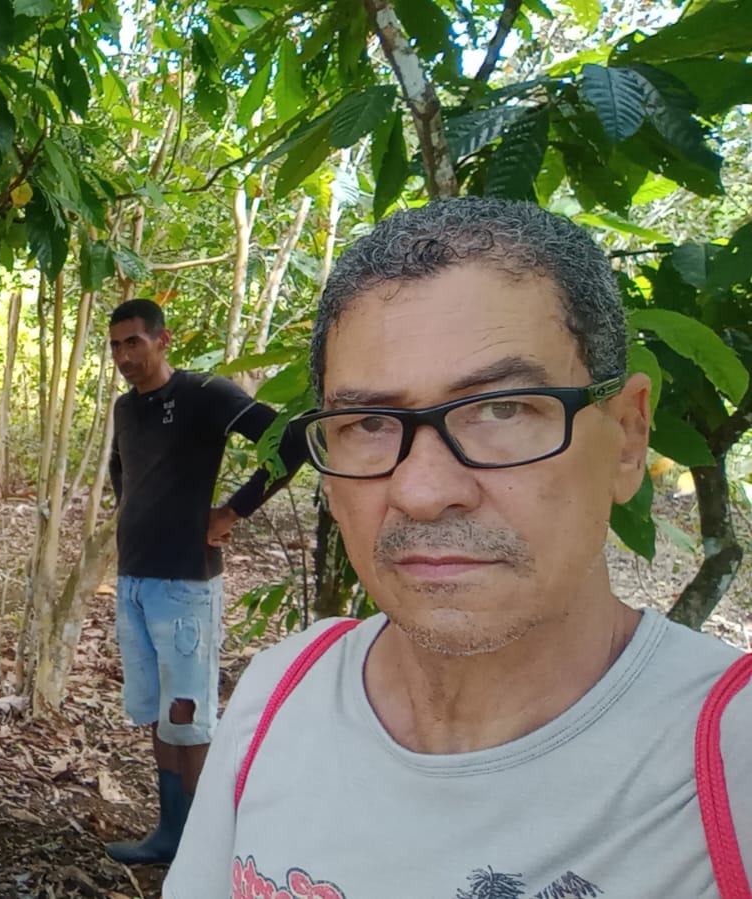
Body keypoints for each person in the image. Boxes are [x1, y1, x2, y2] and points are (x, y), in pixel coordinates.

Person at [164, 197, 752, 897]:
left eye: (502, 409)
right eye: (368, 423)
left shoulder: (728, 756)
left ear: (627, 438)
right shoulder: (278, 695)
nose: (420, 490)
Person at [103, 298, 305, 866]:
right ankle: (172, 832)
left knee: (189, 718)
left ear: (162, 339)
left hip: (186, 585)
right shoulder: (126, 407)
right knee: (159, 713)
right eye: (115, 346)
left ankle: (211, 847)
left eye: (134, 343)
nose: (124, 356)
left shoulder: (204, 393)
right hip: (135, 579)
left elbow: (289, 443)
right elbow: (123, 471)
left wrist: (233, 511)